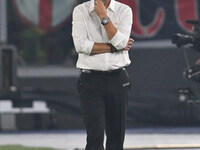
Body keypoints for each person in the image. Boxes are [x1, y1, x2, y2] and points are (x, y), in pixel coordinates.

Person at [72, 0, 134, 149]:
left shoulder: (124, 10)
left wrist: (103, 17)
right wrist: (113, 47)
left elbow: (121, 44)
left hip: (118, 78)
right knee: (95, 136)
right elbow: (81, 46)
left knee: (116, 136)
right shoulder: (81, 10)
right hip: (91, 80)